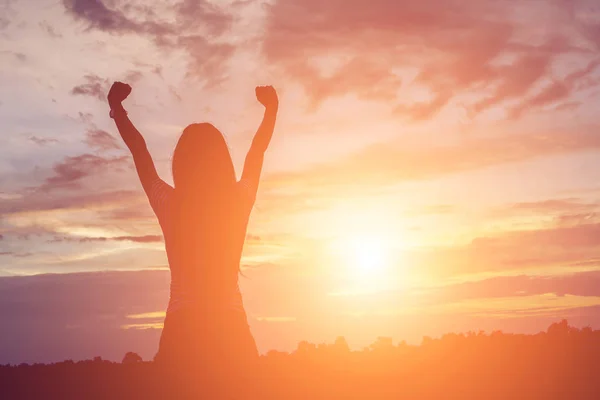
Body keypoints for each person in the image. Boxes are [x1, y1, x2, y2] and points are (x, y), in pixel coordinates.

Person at [107, 81, 278, 392]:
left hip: (182, 332)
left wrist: (117, 109)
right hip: (231, 331)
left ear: (181, 164)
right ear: (222, 162)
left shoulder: (171, 204)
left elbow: (140, 151)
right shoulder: (237, 200)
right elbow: (257, 151)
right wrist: (271, 109)